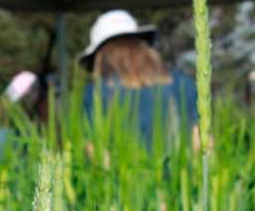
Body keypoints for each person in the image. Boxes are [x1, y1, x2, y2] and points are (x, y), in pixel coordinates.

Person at [80, 10, 197, 147]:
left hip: (121, 168)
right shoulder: (183, 83)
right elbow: (201, 143)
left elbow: (96, 152)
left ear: (100, 57)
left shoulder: (96, 93)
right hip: (181, 168)